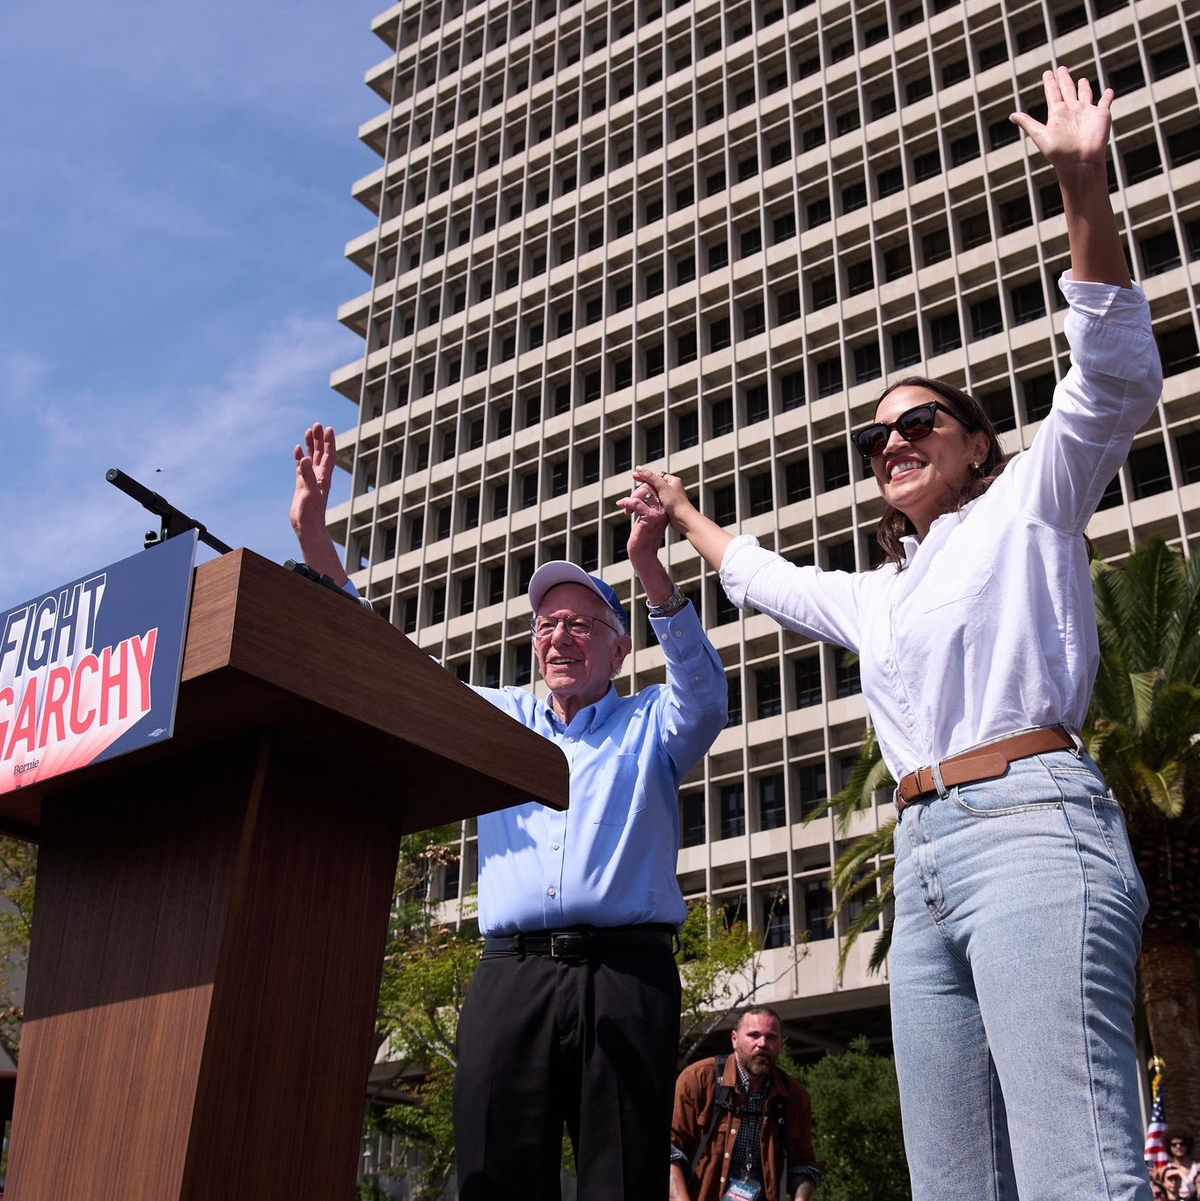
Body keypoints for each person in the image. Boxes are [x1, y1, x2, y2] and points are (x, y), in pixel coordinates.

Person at [629, 67, 1161, 1200]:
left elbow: (1112, 379)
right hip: (920, 865)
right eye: (877, 438)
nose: (893, 443)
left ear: (975, 443)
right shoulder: (880, 594)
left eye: (919, 422)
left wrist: (1083, 186)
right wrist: (680, 518)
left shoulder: (1028, 507)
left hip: (1032, 829)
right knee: (951, 1181)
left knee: (1076, 1163)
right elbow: (767, 578)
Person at [289, 425, 728, 1200]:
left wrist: (649, 570)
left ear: (620, 647)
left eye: (583, 623)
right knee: (493, 1173)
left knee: (621, 1179)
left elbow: (707, 693)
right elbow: (392, 666)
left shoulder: (652, 722)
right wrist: (315, 538)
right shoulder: (497, 719)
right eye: (547, 624)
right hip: (511, 975)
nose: (561, 636)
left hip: (626, 974)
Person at [669, 1006, 822, 1200]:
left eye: (771, 1037)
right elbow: (670, 1151)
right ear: (734, 1039)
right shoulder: (699, 1079)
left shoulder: (795, 1095)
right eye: (753, 1035)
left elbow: (803, 1164)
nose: (762, 1044)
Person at [1167, 1130, 1199, 1198]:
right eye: (1174, 1145)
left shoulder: (1197, 1167)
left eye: (1182, 1144)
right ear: (1169, 1147)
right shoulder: (1165, 1169)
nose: (1178, 1146)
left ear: (1187, 1145)